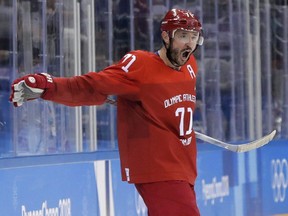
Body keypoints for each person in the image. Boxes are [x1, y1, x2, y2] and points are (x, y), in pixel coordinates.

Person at [10, 8, 204, 216]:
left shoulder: (190, 66)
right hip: (160, 169)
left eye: (194, 37)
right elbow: (93, 87)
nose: (189, 44)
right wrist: (48, 86)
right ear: (166, 36)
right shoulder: (141, 66)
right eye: (183, 36)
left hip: (185, 167)